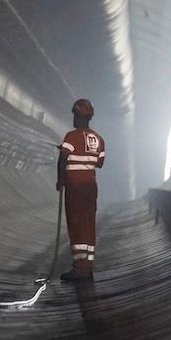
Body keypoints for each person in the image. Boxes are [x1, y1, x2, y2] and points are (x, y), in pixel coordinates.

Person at [56, 98, 106, 280]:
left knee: (76, 225)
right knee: (88, 224)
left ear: (77, 116)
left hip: (75, 187)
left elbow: (63, 159)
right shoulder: (99, 139)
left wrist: (60, 180)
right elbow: (99, 163)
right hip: (91, 188)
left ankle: (79, 269)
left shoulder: (71, 136)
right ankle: (88, 266)